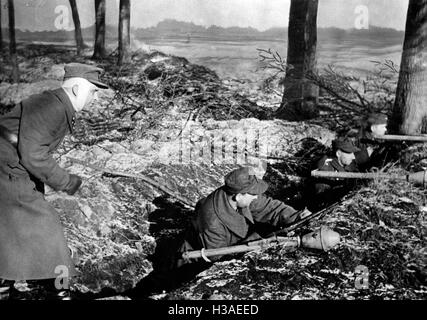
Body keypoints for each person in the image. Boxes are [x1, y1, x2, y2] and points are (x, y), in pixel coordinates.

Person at [0, 63, 108, 300]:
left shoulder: (55, 103)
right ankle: (61, 291)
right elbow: (33, 154)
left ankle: (4, 284)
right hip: (9, 171)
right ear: (78, 89)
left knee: (13, 227)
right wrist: (66, 181)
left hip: (11, 168)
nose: (96, 98)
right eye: (94, 91)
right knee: (48, 226)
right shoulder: (52, 107)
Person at [125, 166, 311, 299]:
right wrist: (261, 240)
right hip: (194, 263)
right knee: (163, 288)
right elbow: (219, 258)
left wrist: (296, 217)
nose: (256, 197)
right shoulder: (213, 221)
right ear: (238, 196)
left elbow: (270, 207)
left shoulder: (239, 196)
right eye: (253, 194)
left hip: (221, 245)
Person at [312, 138, 360, 208]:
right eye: (349, 153)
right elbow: (321, 200)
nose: (353, 157)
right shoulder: (325, 169)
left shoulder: (349, 162)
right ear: (338, 154)